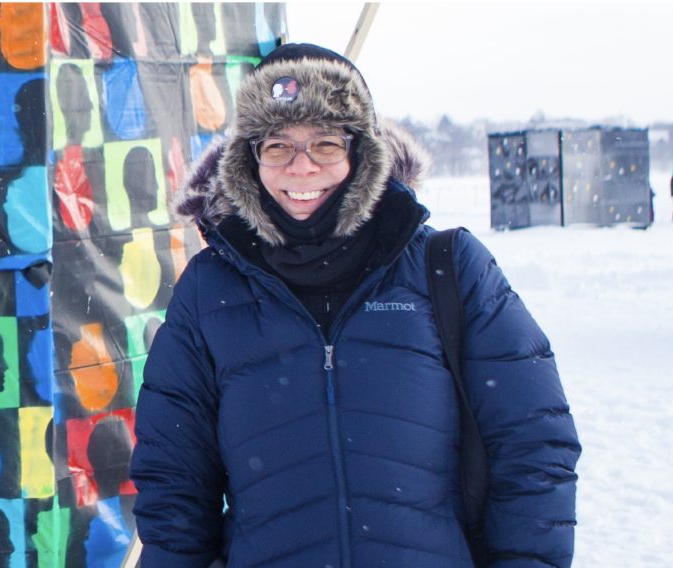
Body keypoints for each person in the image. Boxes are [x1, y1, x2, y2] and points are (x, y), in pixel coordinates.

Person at [134, 43, 580, 567]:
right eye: (277, 146)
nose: (301, 168)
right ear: (249, 161)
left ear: (361, 155)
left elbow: (534, 445)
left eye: (325, 143)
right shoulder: (210, 289)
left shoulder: (448, 266)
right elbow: (175, 478)